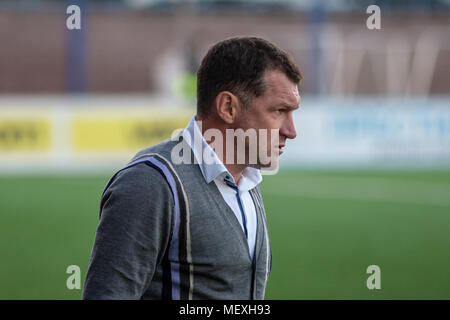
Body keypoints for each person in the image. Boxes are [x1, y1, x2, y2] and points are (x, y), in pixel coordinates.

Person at [82, 36, 302, 300]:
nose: (291, 131)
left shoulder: (246, 181)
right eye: (278, 111)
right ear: (228, 107)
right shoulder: (151, 183)